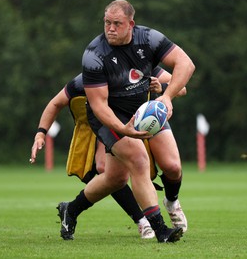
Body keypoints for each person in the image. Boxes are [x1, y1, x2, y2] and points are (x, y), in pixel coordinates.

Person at [58, 0, 195, 243]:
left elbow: (186, 64)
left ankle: (72, 209)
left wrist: (166, 96)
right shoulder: (94, 55)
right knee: (139, 160)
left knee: (125, 176)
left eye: (117, 23)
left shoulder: (149, 39)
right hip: (110, 118)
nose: (110, 28)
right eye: (107, 23)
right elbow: (98, 105)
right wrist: (123, 130)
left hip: (145, 111)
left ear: (130, 24)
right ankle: (160, 229)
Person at [30, 67, 178, 239]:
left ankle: (70, 209)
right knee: (118, 165)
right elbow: (56, 102)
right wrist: (41, 133)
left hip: (133, 123)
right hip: (108, 124)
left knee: (115, 177)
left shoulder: (142, 63)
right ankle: (149, 223)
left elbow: (181, 87)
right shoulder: (88, 78)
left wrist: (163, 87)